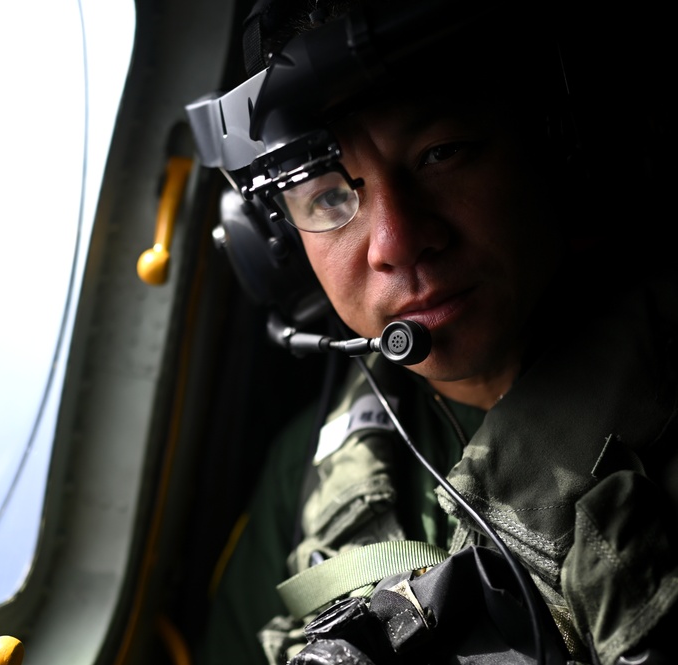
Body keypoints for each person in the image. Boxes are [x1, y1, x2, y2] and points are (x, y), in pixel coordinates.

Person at [185, 0, 678, 663]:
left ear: (554, 150)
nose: (397, 242)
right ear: (275, 245)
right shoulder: (302, 470)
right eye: (328, 197)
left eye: (440, 154)